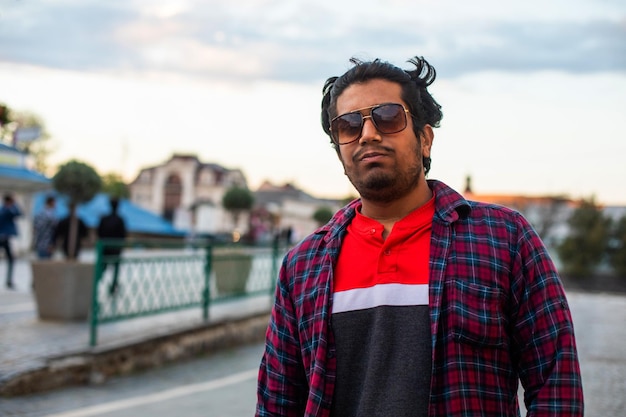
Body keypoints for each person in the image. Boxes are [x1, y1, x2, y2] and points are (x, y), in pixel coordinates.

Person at [256, 56, 583, 416]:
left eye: (388, 117)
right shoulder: (303, 265)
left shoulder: (504, 238)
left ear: (424, 138)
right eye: (348, 126)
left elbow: (556, 383)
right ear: (340, 150)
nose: (368, 134)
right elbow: (278, 402)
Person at [97, 198, 127, 294]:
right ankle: (112, 288)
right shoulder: (120, 220)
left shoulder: (104, 219)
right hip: (115, 250)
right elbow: (123, 235)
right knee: (114, 270)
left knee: (102, 269)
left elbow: (99, 233)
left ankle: (97, 287)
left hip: (105, 249)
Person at [0, 194, 21, 289]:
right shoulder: (4, 210)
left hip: (7, 238)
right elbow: (15, 213)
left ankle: (9, 280)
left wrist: (14, 204)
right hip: (3, 237)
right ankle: (8, 280)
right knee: (10, 259)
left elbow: (19, 214)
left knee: (11, 259)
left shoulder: (8, 209)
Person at [33, 195, 58, 259]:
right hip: (45, 242)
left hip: (44, 242)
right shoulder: (46, 214)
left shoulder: (45, 213)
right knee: (44, 260)